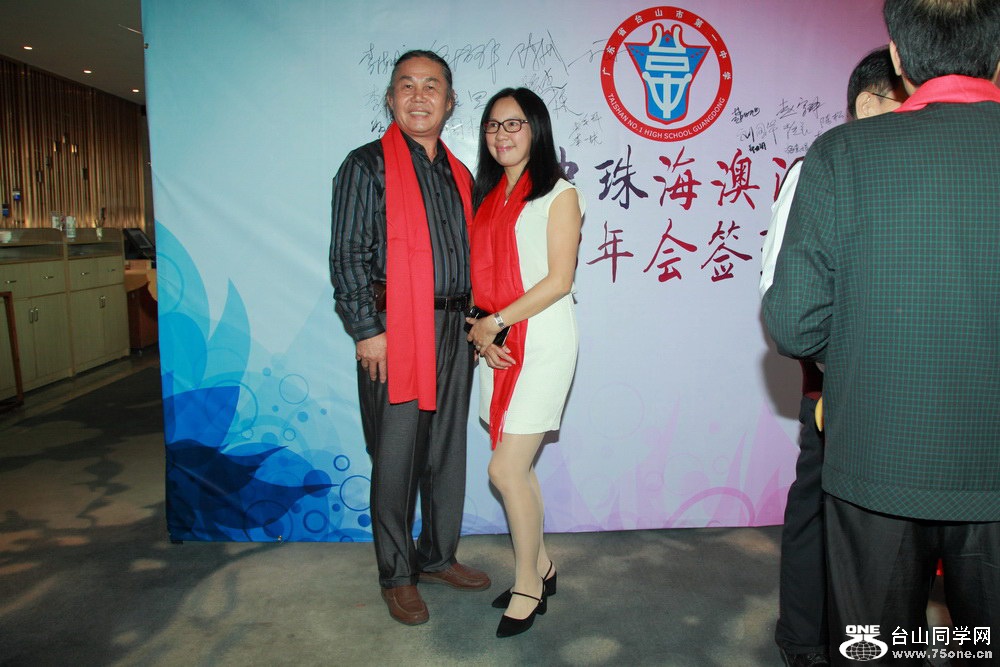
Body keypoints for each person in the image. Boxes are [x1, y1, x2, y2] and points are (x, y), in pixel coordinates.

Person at [763, 1, 1000, 664]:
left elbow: (793, 321)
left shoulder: (842, 154)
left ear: (897, 56)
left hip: (875, 459)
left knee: (877, 650)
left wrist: (870, 348)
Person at [329, 50, 490, 627]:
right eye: (407, 85)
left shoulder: (460, 174)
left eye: (431, 86)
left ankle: (439, 556)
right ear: (390, 98)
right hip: (395, 328)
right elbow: (347, 254)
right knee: (397, 456)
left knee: (446, 450)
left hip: (454, 330)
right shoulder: (366, 165)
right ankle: (398, 575)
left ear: (450, 101)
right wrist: (367, 331)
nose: (419, 96)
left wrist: (478, 322)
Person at [760, 46, 904, 667]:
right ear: (868, 105)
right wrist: (840, 366)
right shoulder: (822, 169)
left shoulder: (912, 169)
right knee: (820, 509)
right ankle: (804, 639)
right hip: (839, 386)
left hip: (908, 385)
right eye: (907, 101)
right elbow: (782, 292)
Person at [465, 87, 584, 638]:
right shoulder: (487, 197)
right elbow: (480, 277)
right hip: (498, 340)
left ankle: (527, 584)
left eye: (514, 124)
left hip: (542, 342)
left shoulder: (559, 194)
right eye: (493, 125)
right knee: (521, 468)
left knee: (504, 470)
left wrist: (495, 322)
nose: (502, 134)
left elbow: (559, 280)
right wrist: (482, 329)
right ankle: (543, 566)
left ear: (536, 129)